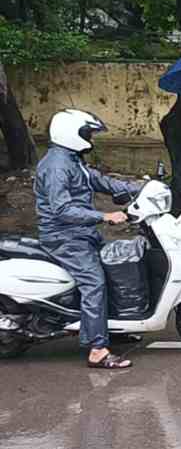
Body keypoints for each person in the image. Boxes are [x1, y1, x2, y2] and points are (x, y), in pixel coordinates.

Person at [35, 110, 140, 369]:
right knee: (93, 282)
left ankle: (113, 327)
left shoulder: (72, 160)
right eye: (88, 133)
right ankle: (97, 349)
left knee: (117, 267)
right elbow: (62, 209)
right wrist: (104, 216)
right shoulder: (57, 166)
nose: (91, 138)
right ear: (72, 133)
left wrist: (140, 188)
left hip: (80, 233)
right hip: (63, 236)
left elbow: (99, 181)